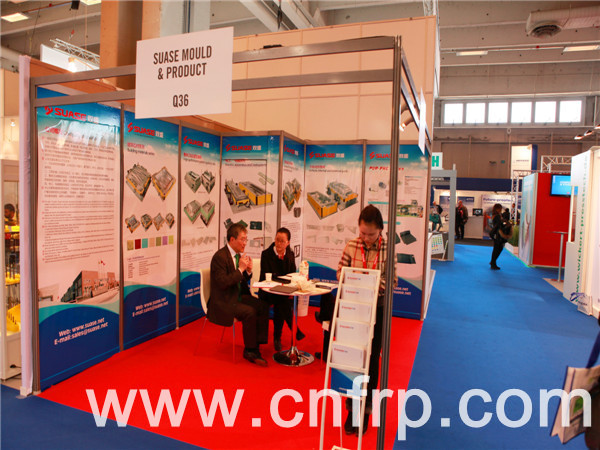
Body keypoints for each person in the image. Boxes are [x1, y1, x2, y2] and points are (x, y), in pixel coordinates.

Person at [333, 205, 390, 436]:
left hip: (376, 310)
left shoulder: (388, 249)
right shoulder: (352, 245)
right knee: (353, 360)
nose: (366, 238)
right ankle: (351, 410)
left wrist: (369, 285)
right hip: (353, 311)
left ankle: (365, 411)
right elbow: (340, 272)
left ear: (380, 230)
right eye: (363, 233)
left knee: (372, 361)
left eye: (371, 234)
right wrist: (351, 280)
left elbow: (392, 281)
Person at [209, 223, 270, 366]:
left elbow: (239, 281)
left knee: (263, 305)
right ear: (232, 239)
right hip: (223, 301)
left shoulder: (237, 256)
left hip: (237, 295)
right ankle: (250, 350)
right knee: (250, 312)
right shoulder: (220, 257)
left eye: (246, 239)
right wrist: (240, 270)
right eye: (242, 239)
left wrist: (247, 271)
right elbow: (223, 283)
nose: (245, 243)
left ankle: (256, 343)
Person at [259, 227, 305, 352]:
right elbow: (266, 275)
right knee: (282, 302)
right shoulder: (266, 254)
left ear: (288, 243)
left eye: (282, 241)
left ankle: (277, 338)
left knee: (281, 302)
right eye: (277, 240)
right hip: (267, 291)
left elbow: (292, 274)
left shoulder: (289, 254)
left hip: (282, 291)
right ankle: (292, 330)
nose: (278, 243)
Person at [489, 203, 512, 270]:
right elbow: (499, 225)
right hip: (498, 234)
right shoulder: (497, 216)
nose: (501, 209)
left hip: (496, 234)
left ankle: (493, 262)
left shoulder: (494, 215)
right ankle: (493, 263)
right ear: (498, 208)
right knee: (498, 249)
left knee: (497, 249)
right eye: (500, 208)